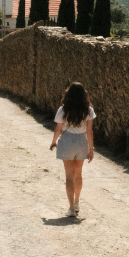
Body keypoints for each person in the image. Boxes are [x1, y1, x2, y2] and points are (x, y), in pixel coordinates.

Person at [49, 82, 96, 217]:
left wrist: (53, 142)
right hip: (81, 142)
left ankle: (71, 209)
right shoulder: (88, 110)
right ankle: (77, 202)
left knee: (69, 176)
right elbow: (89, 131)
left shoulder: (63, 110)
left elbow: (58, 129)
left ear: (68, 93)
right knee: (78, 174)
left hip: (67, 141)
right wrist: (91, 149)